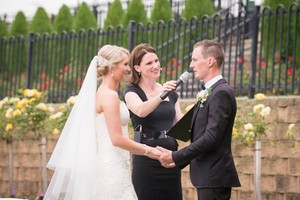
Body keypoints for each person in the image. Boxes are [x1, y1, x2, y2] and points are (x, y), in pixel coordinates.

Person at [44, 45, 161, 200]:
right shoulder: (109, 96)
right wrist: (150, 151)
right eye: (125, 64)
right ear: (112, 67)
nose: (128, 68)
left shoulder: (103, 93)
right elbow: (116, 139)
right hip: (112, 167)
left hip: (116, 163)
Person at [158, 40, 241, 200]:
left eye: (195, 60)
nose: (191, 65)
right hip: (208, 176)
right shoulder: (211, 92)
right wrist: (178, 159)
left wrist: (176, 156)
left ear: (210, 61)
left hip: (214, 176)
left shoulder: (220, 93)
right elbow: (198, 135)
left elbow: (211, 138)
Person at [124, 43, 183, 200]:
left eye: (156, 61)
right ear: (137, 68)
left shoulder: (171, 92)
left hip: (171, 157)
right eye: (149, 63)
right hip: (146, 159)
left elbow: (181, 125)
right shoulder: (131, 92)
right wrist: (162, 95)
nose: (155, 65)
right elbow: (141, 111)